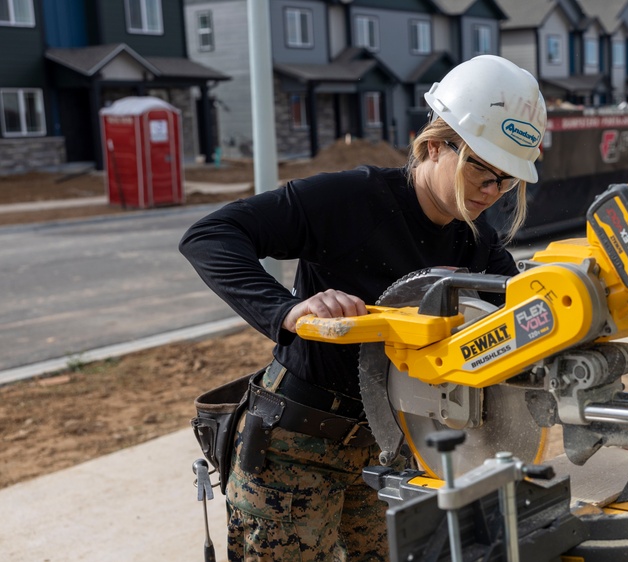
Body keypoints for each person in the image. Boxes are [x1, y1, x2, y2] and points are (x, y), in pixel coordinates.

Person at [179, 55, 546, 561]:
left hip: (390, 449)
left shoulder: (474, 243)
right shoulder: (349, 199)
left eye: (507, 180)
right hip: (294, 446)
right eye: (484, 169)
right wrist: (286, 310)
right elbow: (211, 235)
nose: (493, 191)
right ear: (435, 145)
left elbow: (527, 313)